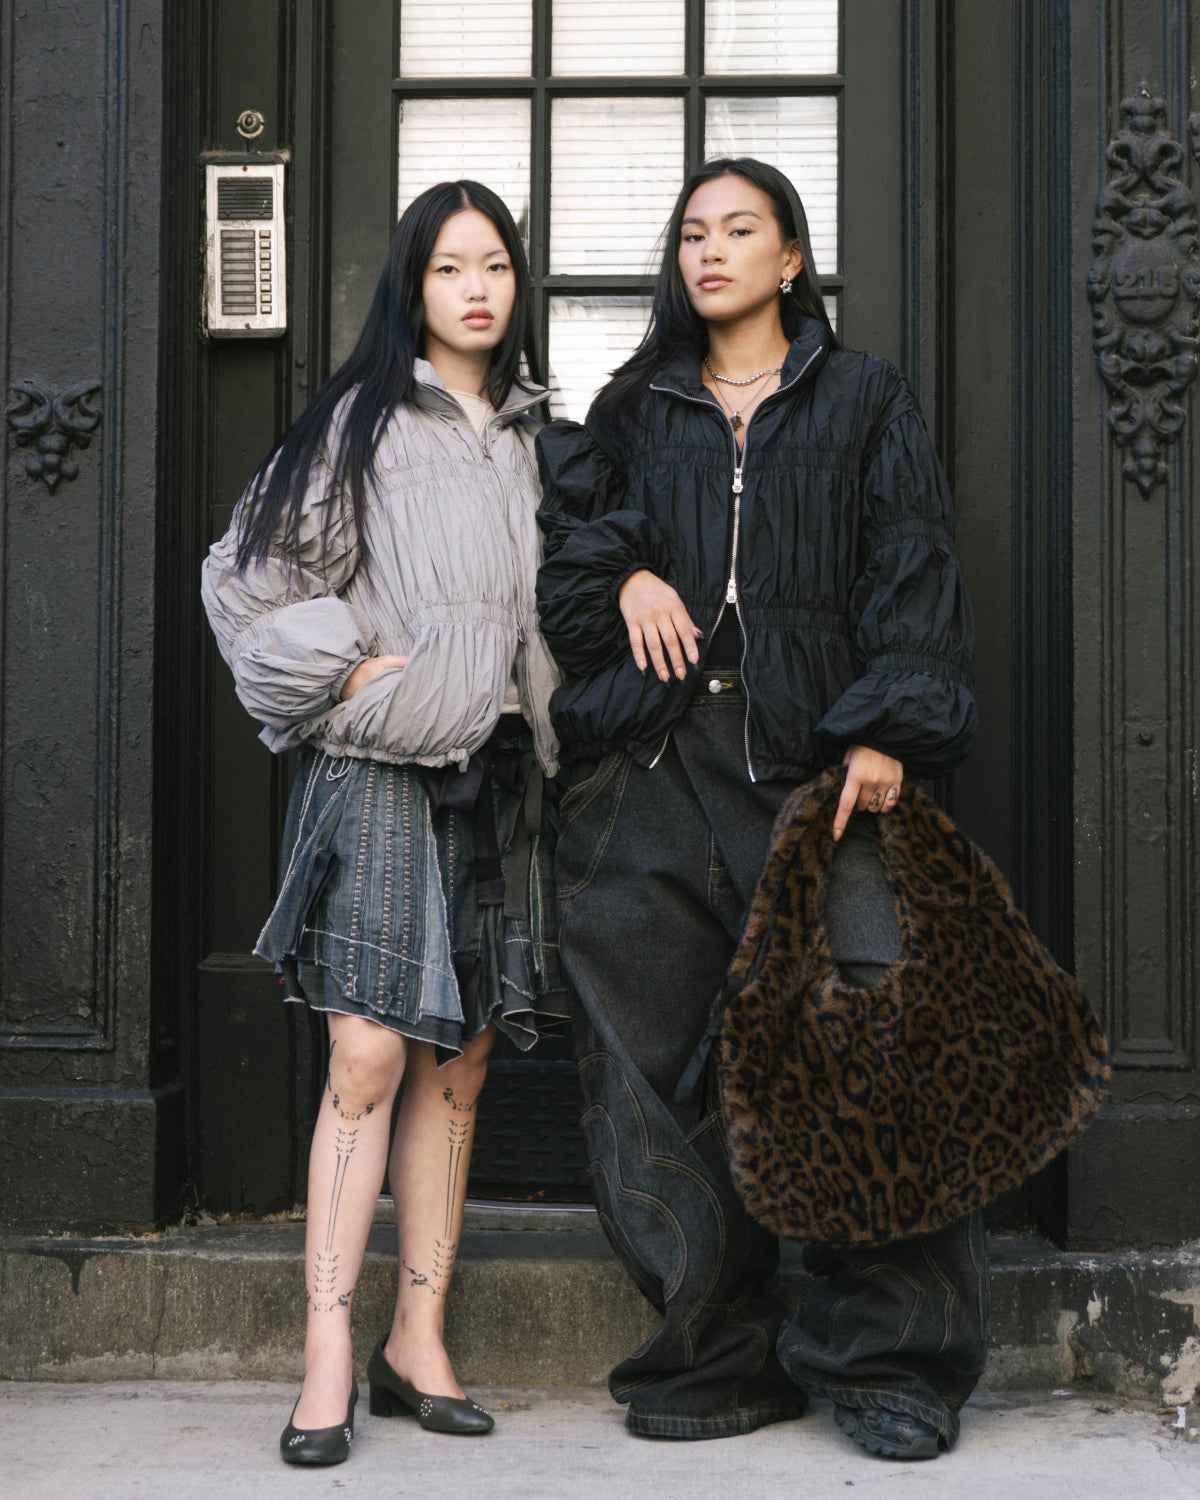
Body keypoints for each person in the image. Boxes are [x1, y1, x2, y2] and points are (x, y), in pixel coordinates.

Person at [535, 157, 986, 1461]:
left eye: (740, 230)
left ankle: (892, 1363)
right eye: (693, 232)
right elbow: (569, 578)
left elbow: (914, 569)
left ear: (792, 257)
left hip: (822, 770)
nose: (711, 250)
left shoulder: (864, 400)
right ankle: (711, 1346)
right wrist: (620, 577)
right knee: (640, 1054)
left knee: (876, 1045)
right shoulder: (630, 410)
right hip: (660, 763)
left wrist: (891, 729)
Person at [201, 180, 564, 1466]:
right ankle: (328, 1354)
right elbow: (245, 578)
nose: (477, 287)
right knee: (366, 1055)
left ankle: (420, 1339)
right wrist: (356, 668)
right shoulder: (362, 419)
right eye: (450, 266)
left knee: (458, 1057)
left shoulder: (535, 436)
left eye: (498, 266)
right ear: (412, 285)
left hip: (500, 773)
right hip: (378, 769)